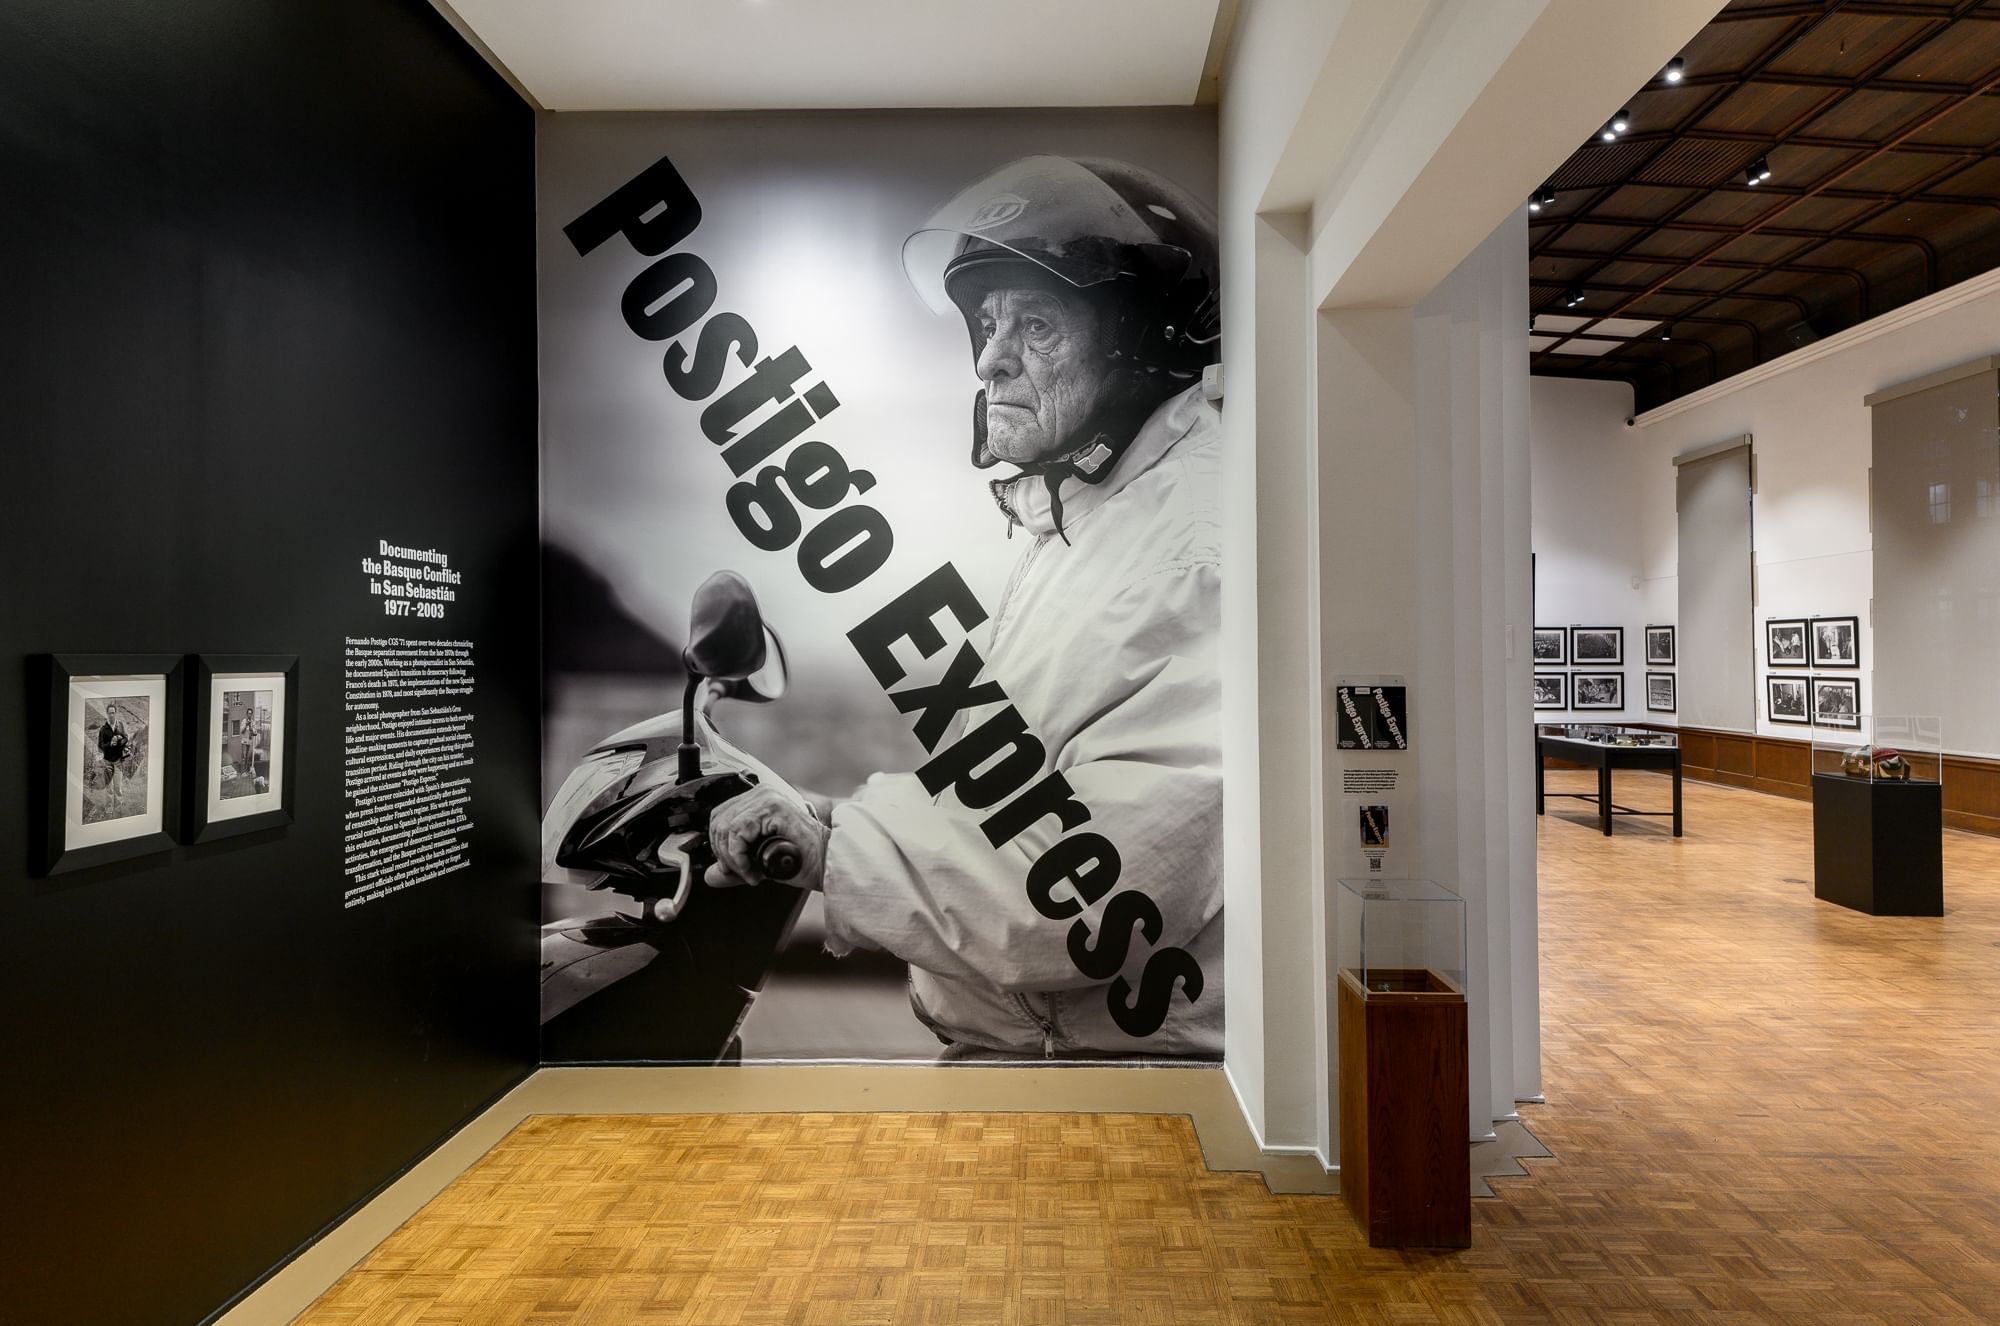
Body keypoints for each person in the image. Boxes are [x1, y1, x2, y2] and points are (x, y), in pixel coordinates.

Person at [704, 157, 1223, 1059]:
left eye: (1037, 324)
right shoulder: (1082, 524)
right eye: (985, 324)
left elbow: (1100, 890)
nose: (990, 358)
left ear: (1144, 336)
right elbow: (1024, 800)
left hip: (1113, 1076)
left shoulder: (1194, 551)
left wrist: (831, 852)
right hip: (1037, 1054)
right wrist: (824, 815)